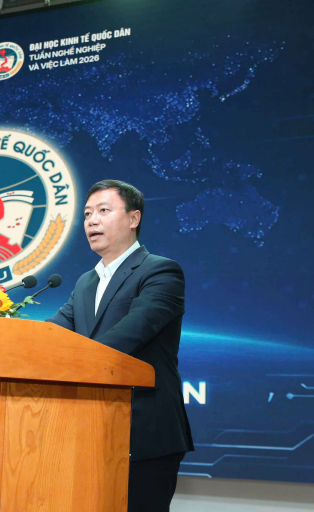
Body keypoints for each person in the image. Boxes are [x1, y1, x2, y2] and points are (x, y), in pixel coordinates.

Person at [47, 179, 194, 512]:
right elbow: (54, 334)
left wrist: (73, 361)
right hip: (89, 429)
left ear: (133, 218)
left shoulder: (160, 271)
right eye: (87, 214)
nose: (92, 221)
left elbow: (128, 335)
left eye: (103, 210)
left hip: (143, 431)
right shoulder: (86, 282)